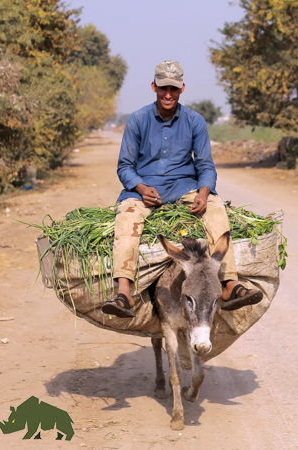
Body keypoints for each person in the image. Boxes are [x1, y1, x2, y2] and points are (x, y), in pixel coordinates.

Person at [101, 60, 263, 318]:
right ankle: (124, 294)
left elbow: (206, 166)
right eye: (163, 88)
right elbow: (125, 167)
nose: (168, 94)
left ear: (182, 89)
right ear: (154, 86)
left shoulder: (195, 121)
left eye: (173, 89)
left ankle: (230, 284)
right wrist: (141, 188)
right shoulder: (137, 120)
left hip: (184, 187)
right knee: (127, 218)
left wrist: (203, 191)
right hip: (143, 192)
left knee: (216, 207)